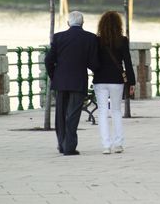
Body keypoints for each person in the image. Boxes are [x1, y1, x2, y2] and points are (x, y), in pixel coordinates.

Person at [45, 11, 99, 156]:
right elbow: (94, 63)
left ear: (68, 23)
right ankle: (69, 147)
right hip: (78, 82)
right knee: (73, 115)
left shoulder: (58, 37)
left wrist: (54, 75)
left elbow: (48, 60)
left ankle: (62, 144)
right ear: (82, 23)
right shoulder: (90, 38)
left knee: (60, 115)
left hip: (60, 82)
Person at [92, 11, 135, 154]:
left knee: (102, 112)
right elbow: (128, 63)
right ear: (119, 24)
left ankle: (106, 145)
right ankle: (118, 144)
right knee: (116, 111)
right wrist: (132, 82)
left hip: (100, 80)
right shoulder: (122, 40)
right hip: (116, 80)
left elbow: (93, 61)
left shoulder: (96, 40)